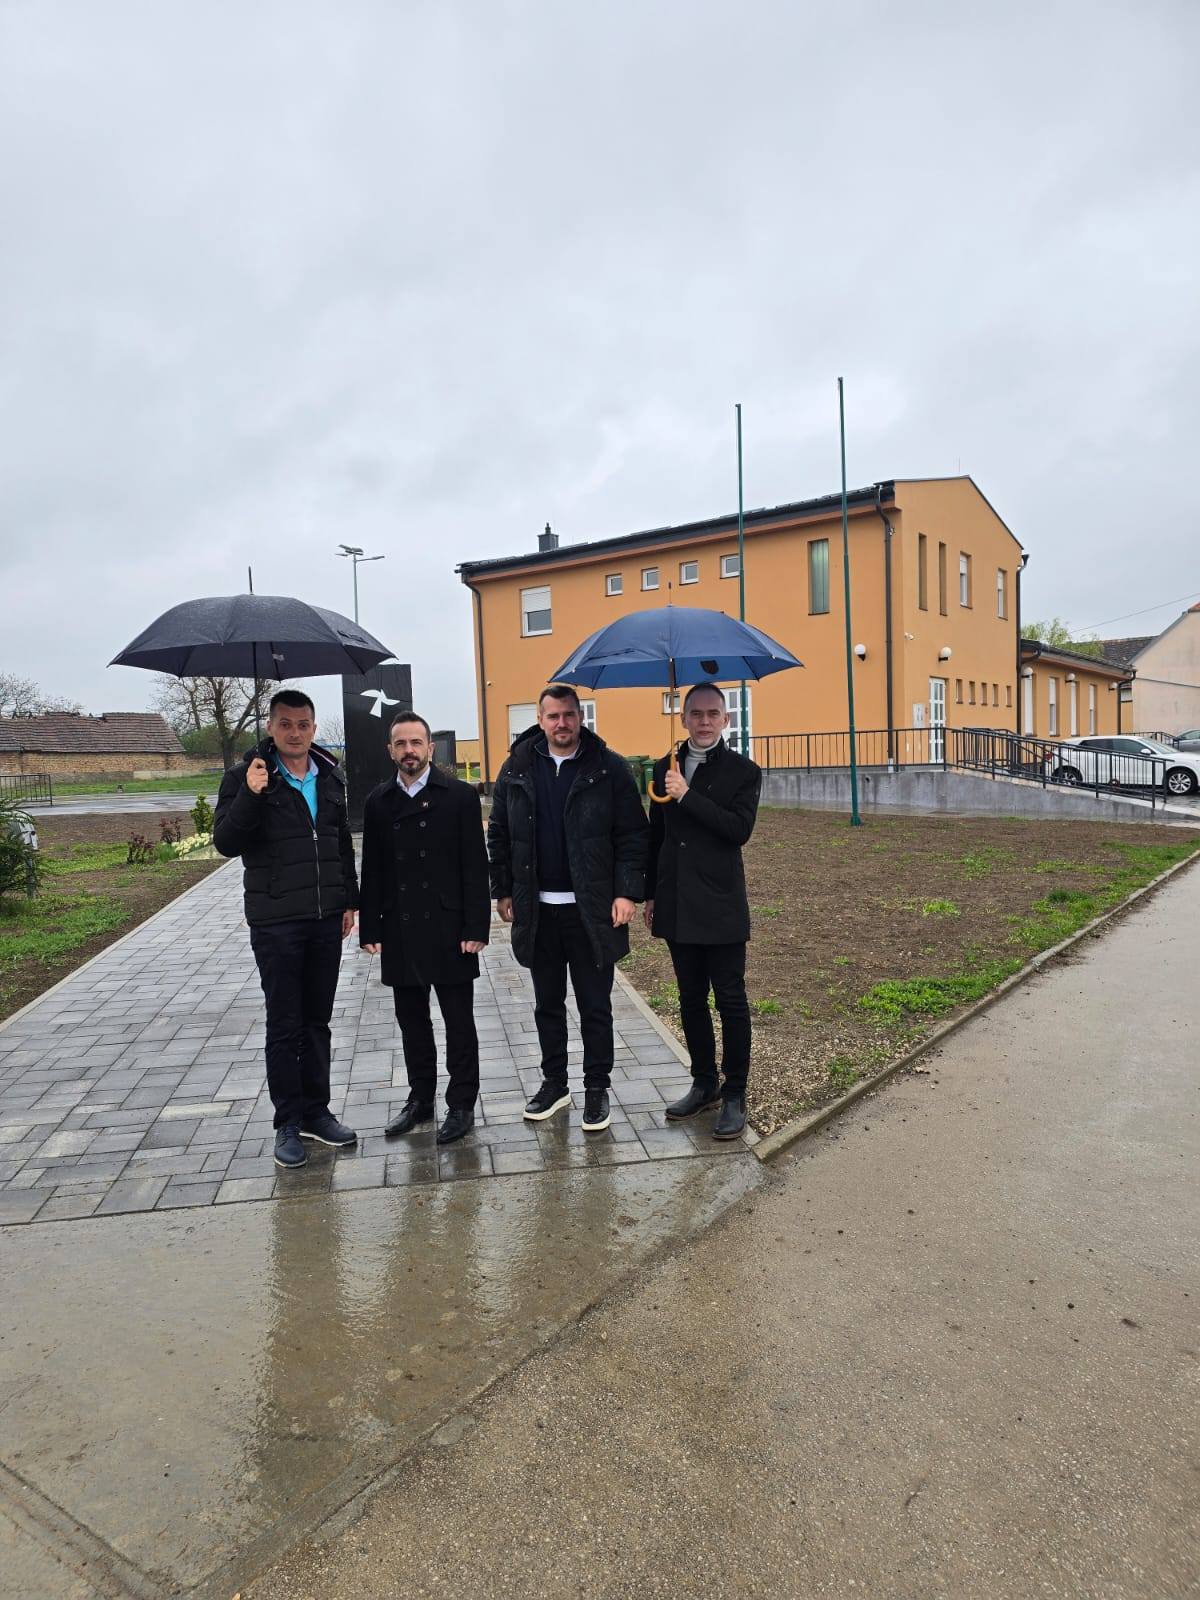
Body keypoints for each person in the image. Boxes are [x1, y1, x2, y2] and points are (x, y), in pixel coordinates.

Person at [488, 684, 649, 1134]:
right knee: (548, 1005)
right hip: (538, 911)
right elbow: (499, 833)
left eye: (569, 715)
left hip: (591, 910)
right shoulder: (517, 768)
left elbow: (633, 835)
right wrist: (502, 890)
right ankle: (555, 1084)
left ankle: (596, 1088)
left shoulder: (608, 768)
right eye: (553, 716)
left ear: (581, 718)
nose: (562, 723)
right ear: (540, 720)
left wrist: (626, 893)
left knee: (595, 1005)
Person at [214, 690, 359, 1169]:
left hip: (324, 919)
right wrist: (251, 795)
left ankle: (317, 1112)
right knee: (285, 1023)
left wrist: (348, 900)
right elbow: (226, 842)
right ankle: (288, 1123)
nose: (294, 733)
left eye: (303, 724)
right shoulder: (246, 776)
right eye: (285, 724)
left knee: (317, 1021)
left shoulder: (330, 775)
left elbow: (339, 842)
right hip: (276, 920)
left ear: (313, 728)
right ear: (270, 727)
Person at [359, 711, 490, 1146]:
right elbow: (373, 869)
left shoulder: (459, 796)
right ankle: (420, 1099)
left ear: (430, 748)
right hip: (401, 927)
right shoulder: (378, 801)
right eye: (401, 743)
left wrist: (477, 926)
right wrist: (370, 927)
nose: (409, 750)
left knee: (458, 1022)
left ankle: (462, 1103)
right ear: (390, 750)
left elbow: (475, 866)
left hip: (451, 927)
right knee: (411, 1022)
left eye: (416, 742)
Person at [644, 682, 762, 1140]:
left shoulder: (743, 772)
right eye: (696, 713)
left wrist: (688, 795)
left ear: (726, 719)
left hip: (720, 904)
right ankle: (704, 1083)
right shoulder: (664, 768)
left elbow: (738, 830)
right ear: (684, 718)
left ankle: (734, 1093)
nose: (705, 721)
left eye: (714, 713)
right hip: (677, 902)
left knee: (730, 999)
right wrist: (651, 894)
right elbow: (657, 837)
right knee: (690, 998)